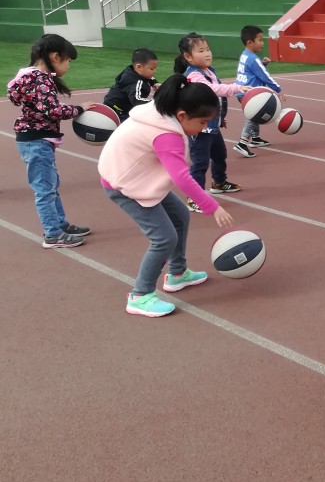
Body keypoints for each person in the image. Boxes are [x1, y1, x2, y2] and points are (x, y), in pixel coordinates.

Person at [98, 75, 235, 317]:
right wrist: (213, 207)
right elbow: (182, 177)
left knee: (180, 216)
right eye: (202, 122)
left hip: (136, 176)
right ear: (182, 115)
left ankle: (177, 273)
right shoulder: (166, 134)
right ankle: (140, 295)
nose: (203, 127)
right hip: (124, 185)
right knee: (163, 239)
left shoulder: (163, 111)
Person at [7, 34, 95, 248]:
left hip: (36, 139)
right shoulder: (40, 79)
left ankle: (60, 225)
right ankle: (53, 234)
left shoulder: (28, 76)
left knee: (51, 185)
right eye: (68, 60)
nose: (68, 66)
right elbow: (52, 110)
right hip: (36, 140)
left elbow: (24, 100)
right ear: (55, 57)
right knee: (45, 189)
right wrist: (79, 109)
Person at [176, 33, 245, 212]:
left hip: (212, 125)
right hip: (199, 129)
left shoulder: (208, 71)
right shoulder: (193, 75)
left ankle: (219, 182)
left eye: (207, 49)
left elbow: (216, 100)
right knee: (200, 163)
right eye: (201, 51)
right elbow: (212, 90)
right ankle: (194, 198)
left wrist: (221, 119)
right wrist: (236, 88)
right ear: (188, 57)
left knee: (220, 154)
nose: (207, 53)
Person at [233, 25, 284, 159]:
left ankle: (255, 138)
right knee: (253, 116)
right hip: (250, 94)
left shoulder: (245, 55)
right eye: (260, 40)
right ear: (250, 42)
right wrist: (278, 89)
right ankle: (242, 143)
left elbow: (252, 71)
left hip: (242, 92)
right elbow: (265, 76)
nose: (263, 43)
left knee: (256, 113)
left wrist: (263, 64)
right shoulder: (253, 59)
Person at [103, 48, 159, 121]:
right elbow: (137, 100)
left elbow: (148, 76)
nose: (155, 71)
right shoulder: (135, 82)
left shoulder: (132, 70)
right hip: (118, 110)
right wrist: (157, 102)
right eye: (152, 69)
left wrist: (154, 82)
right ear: (138, 67)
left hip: (115, 104)